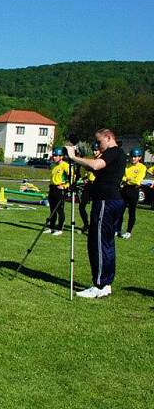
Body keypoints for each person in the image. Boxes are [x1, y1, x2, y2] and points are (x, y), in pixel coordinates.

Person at [65, 128, 126, 299]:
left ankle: (99, 284)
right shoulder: (117, 154)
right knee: (106, 243)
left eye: (99, 142)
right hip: (111, 201)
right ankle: (105, 283)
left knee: (98, 243)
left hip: (106, 202)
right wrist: (81, 159)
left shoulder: (113, 152)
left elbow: (95, 165)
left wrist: (73, 157)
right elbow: (96, 169)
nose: (98, 146)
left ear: (108, 138)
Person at [116, 147, 148, 239]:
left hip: (134, 191)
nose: (133, 158)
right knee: (120, 211)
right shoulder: (127, 166)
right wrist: (128, 179)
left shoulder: (142, 167)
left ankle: (128, 231)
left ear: (139, 157)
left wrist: (128, 179)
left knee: (131, 212)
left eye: (135, 157)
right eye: (132, 157)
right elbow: (122, 177)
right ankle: (117, 230)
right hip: (124, 190)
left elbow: (137, 181)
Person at [43, 148, 70, 236]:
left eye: (56, 156)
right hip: (52, 188)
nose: (54, 157)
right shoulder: (53, 166)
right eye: (53, 155)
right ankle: (51, 227)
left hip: (60, 189)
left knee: (59, 209)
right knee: (52, 209)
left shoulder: (65, 165)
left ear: (61, 156)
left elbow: (72, 178)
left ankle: (59, 228)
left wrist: (65, 186)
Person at [78, 141, 99, 234]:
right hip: (89, 185)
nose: (95, 152)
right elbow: (85, 169)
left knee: (95, 208)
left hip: (97, 185)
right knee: (82, 206)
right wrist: (85, 178)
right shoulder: (91, 160)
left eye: (96, 150)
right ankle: (86, 224)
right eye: (94, 150)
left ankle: (94, 227)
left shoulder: (102, 160)